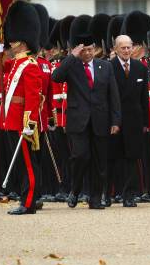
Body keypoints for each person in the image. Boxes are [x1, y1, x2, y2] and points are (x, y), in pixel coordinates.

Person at [51, 15, 121, 210]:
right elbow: (56, 77)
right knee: (80, 156)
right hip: (78, 120)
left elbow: (113, 95)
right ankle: (75, 190)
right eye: (85, 50)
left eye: (91, 49)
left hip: (100, 119)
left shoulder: (105, 66)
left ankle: (95, 198)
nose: (89, 53)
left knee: (100, 161)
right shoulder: (71, 65)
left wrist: (116, 120)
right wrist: (72, 56)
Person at [0, 0, 44, 215]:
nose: (10, 42)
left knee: (28, 164)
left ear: (21, 41)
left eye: (12, 40)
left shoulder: (30, 66)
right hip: (13, 119)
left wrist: (29, 123)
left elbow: (33, 98)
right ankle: (26, 198)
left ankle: (29, 202)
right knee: (23, 165)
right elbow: (2, 68)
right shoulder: (16, 63)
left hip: (23, 122)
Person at [110, 35, 149, 207]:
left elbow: (144, 97)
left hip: (134, 119)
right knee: (115, 157)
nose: (127, 51)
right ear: (116, 49)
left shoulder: (140, 67)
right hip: (116, 119)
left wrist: (146, 122)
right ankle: (114, 192)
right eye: (123, 48)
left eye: (129, 47)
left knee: (132, 158)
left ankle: (129, 194)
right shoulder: (109, 67)